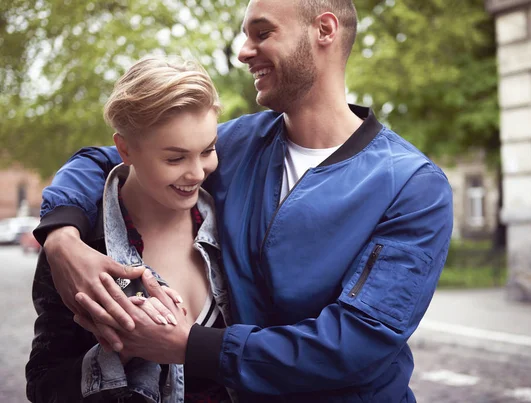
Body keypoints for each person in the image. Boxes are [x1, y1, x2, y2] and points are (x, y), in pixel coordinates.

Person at [32, 0, 453, 401]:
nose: (243, 52)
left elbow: (358, 341)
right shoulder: (235, 144)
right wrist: (61, 236)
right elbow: (108, 160)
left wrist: (192, 345)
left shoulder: (413, 186)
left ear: (324, 30)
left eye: (262, 33)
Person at [26, 57, 232, 403]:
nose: (198, 173)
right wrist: (120, 349)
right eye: (175, 158)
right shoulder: (81, 246)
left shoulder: (232, 218)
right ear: (125, 149)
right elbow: (44, 385)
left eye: (208, 150)